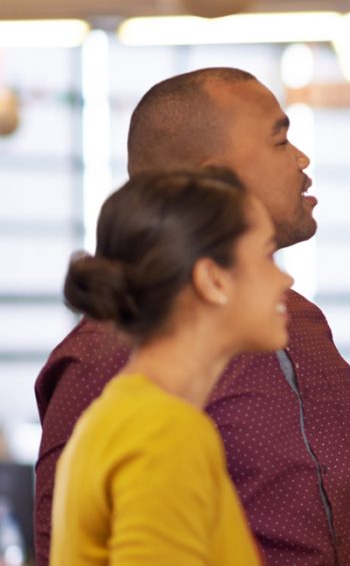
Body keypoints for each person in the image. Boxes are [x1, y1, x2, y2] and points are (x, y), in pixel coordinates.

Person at [34, 68, 350, 564]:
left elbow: (328, 525)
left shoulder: (298, 329)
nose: (283, 283)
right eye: (281, 140)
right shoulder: (150, 416)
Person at [52, 168, 287, 563]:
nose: (286, 278)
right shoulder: (165, 432)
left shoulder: (130, 415)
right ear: (213, 280)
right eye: (268, 255)